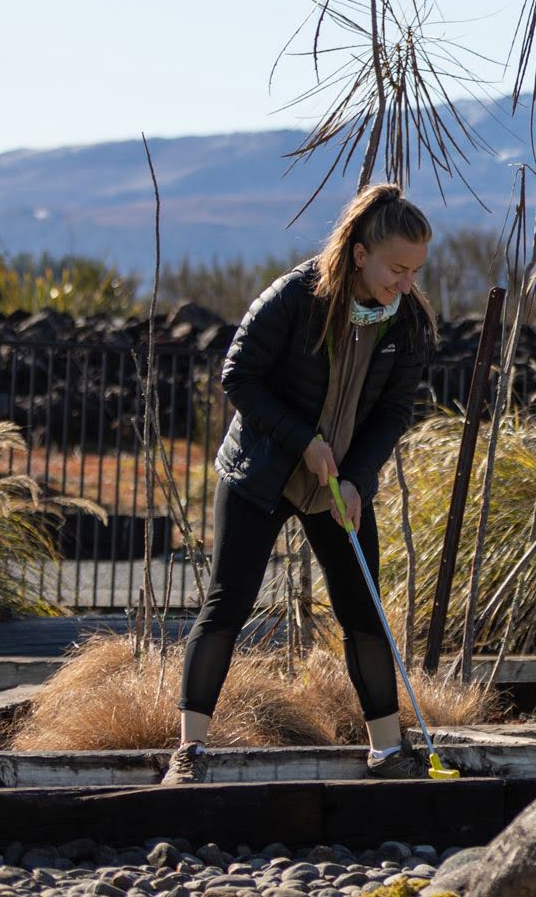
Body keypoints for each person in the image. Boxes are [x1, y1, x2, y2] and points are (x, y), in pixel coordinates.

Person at [162, 184, 435, 784]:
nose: (406, 283)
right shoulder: (295, 297)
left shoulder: (406, 319)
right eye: (396, 268)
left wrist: (359, 478)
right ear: (360, 254)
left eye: (415, 270)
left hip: (336, 485)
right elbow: (239, 377)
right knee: (227, 603)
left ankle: (388, 751)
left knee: (362, 607)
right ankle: (190, 751)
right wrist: (303, 442)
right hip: (261, 471)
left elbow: (392, 413)